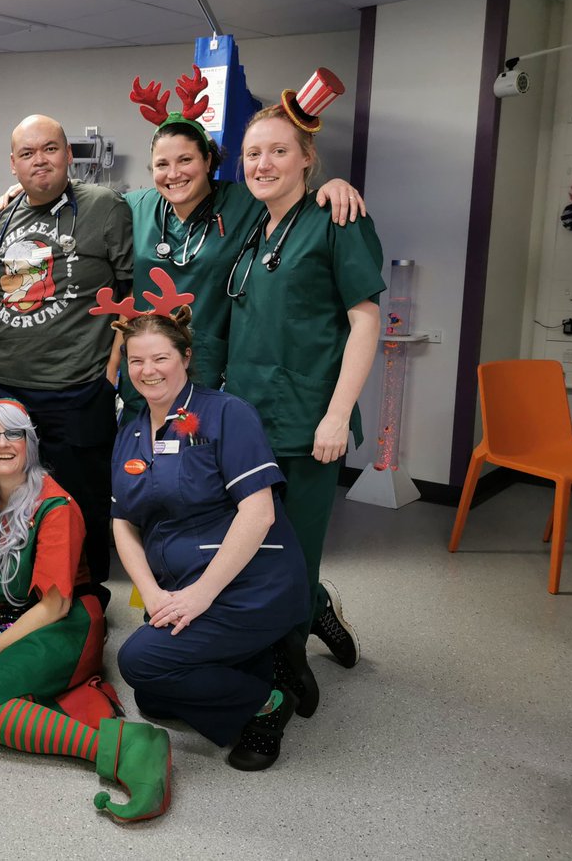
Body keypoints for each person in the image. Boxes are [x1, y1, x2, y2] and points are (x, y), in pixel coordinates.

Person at [0, 400, 172, 823]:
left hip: (67, 623)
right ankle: (25, 699)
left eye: (13, 433)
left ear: (29, 443)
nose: (2, 443)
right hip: (13, 624)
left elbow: (55, 604)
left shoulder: (56, 506)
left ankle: (127, 746)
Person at [103, 274, 311, 770]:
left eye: (161, 358)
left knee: (139, 664)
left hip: (250, 583)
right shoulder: (131, 433)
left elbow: (258, 512)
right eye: (136, 361)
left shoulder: (225, 414)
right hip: (181, 585)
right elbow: (122, 524)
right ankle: (260, 661)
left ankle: (269, 700)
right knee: (156, 699)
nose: (148, 371)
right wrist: (152, 594)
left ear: (185, 358)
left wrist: (202, 595)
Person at [225, 69, 385, 673]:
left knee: (296, 551)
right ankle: (315, 610)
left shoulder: (338, 219)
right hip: (247, 416)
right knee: (256, 547)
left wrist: (338, 415)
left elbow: (365, 322)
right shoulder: (251, 226)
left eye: (278, 151)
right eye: (252, 153)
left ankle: (282, 685)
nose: (263, 164)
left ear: (306, 158)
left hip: (310, 420)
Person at [122, 67, 366, 408]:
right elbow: (88, 205)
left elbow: (288, 193)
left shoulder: (243, 201)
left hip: (208, 371)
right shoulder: (135, 206)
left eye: (186, 159)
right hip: (145, 370)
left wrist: (332, 185)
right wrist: (23, 194)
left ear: (208, 160)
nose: (173, 173)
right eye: (162, 164)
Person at [0, 115, 132, 606]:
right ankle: (11, 593)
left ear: (69, 154)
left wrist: (111, 373)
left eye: (49, 149)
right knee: (3, 497)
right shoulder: (0, 215)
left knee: (80, 499)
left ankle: (83, 596)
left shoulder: (105, 208)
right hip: (3, 383)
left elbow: (131, 293)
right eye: (27, 153)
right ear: (13, 163)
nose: (39, 160)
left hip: (76, 385)